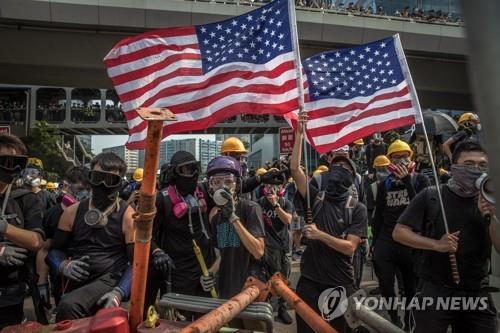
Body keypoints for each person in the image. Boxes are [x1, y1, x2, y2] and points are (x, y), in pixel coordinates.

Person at [393, 141, 499, 333]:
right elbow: (399, 232)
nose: (477, 170)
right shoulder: (433, 195)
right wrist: (435, 244)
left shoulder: (492, 199)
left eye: (482, 165)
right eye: (469, 165)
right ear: (454, 167)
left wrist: (493, 216)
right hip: (435, 289)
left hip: (476, 292)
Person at [290, 117, 368, 333]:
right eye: (336, 164)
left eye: (345, 166)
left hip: (340, 284)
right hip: (309, 282)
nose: (339, 169)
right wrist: (299, 136)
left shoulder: (357, 208)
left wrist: (319, 235)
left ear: (352, 178)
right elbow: (296, 171)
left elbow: (349, 247)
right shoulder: (316, 198)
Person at [46, 152, 135, 321]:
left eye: (109, 180)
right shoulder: (72, 212)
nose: (102, 184)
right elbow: (54, 250)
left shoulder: (127, 215)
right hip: (74, 280)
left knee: (69, 306)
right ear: (90, 178)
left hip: (109, 278)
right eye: (97, 177)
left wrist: (120, 291)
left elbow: (137, 263)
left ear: (119, 184)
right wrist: (63, 265)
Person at [372, 139, 429, 328]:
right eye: (396, 158)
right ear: (390, 161)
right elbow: (379, 215)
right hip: (386, 239)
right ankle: (393, 316)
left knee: (410, 288)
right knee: (386, 286)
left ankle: (409, 321)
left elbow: (422, 207)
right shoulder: (383, 185)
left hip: (411, 241)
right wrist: (373, 244)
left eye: (404, 157)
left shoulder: (421, 180)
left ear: (411, 158)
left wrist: (407, 182)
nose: (401, 161)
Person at [146, 151, 211, 313]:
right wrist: (157, 252)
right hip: (178, 270)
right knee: (183, 315)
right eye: (185, 170)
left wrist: (259, 180)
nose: (191, 173)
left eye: (194, 168)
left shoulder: (203, 190)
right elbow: (147, 235)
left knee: (208, 313)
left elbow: (235, 188)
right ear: (175, 173)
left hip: (207, 266)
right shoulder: (163, 199)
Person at [0, 133, 44, 329]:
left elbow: (36, 241)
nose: (12, 168)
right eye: (6, 161)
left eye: (18, 163)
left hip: (12, 289)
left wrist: (4, 228)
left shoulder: (25, 199)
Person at [205, 156, 265, 300]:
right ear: (210, 186)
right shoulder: (216, 218)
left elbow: (258, 251)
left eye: (228, 181)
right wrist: (210, 273)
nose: (222, 186)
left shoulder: (250, 208)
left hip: (250, 290)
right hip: (226, 291)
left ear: (237, 185)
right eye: (216, 182)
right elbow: (225, 252)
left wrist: (233, 218)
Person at [37, 166, 90, 307]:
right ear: (67, 186)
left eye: (89, 189)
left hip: (91, 277)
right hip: (62, 279)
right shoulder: (52, 215)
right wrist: (42, 282)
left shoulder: (94, 214)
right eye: (79, 190)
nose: (85, 194)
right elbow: (45, 249)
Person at [257, 180, 293, 324]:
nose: (272, 189)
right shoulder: (259, 203)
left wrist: (275, 205)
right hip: (266, 247)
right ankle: (266, 309)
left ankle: (282, 309)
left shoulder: (286, 202)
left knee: (283, 278)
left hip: (283, 246)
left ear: (281, 188)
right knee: (266, 278)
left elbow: (287, 220)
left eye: (276, 186)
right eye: (268, 186)